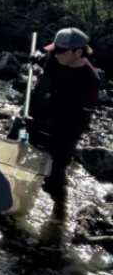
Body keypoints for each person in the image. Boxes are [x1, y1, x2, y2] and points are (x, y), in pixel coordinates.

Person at [27, 27, 100, 211]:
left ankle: (59, 212)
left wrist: (52, 126)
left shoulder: (89, 80)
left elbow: (80, 121)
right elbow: (46, 72)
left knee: (55, 175)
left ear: (78, 52)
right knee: (26, 159)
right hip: (42, 114)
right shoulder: (55, 58)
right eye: (55, 49)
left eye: (61, 51)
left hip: (66, 128)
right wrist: (38, 58)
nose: (55, 53)